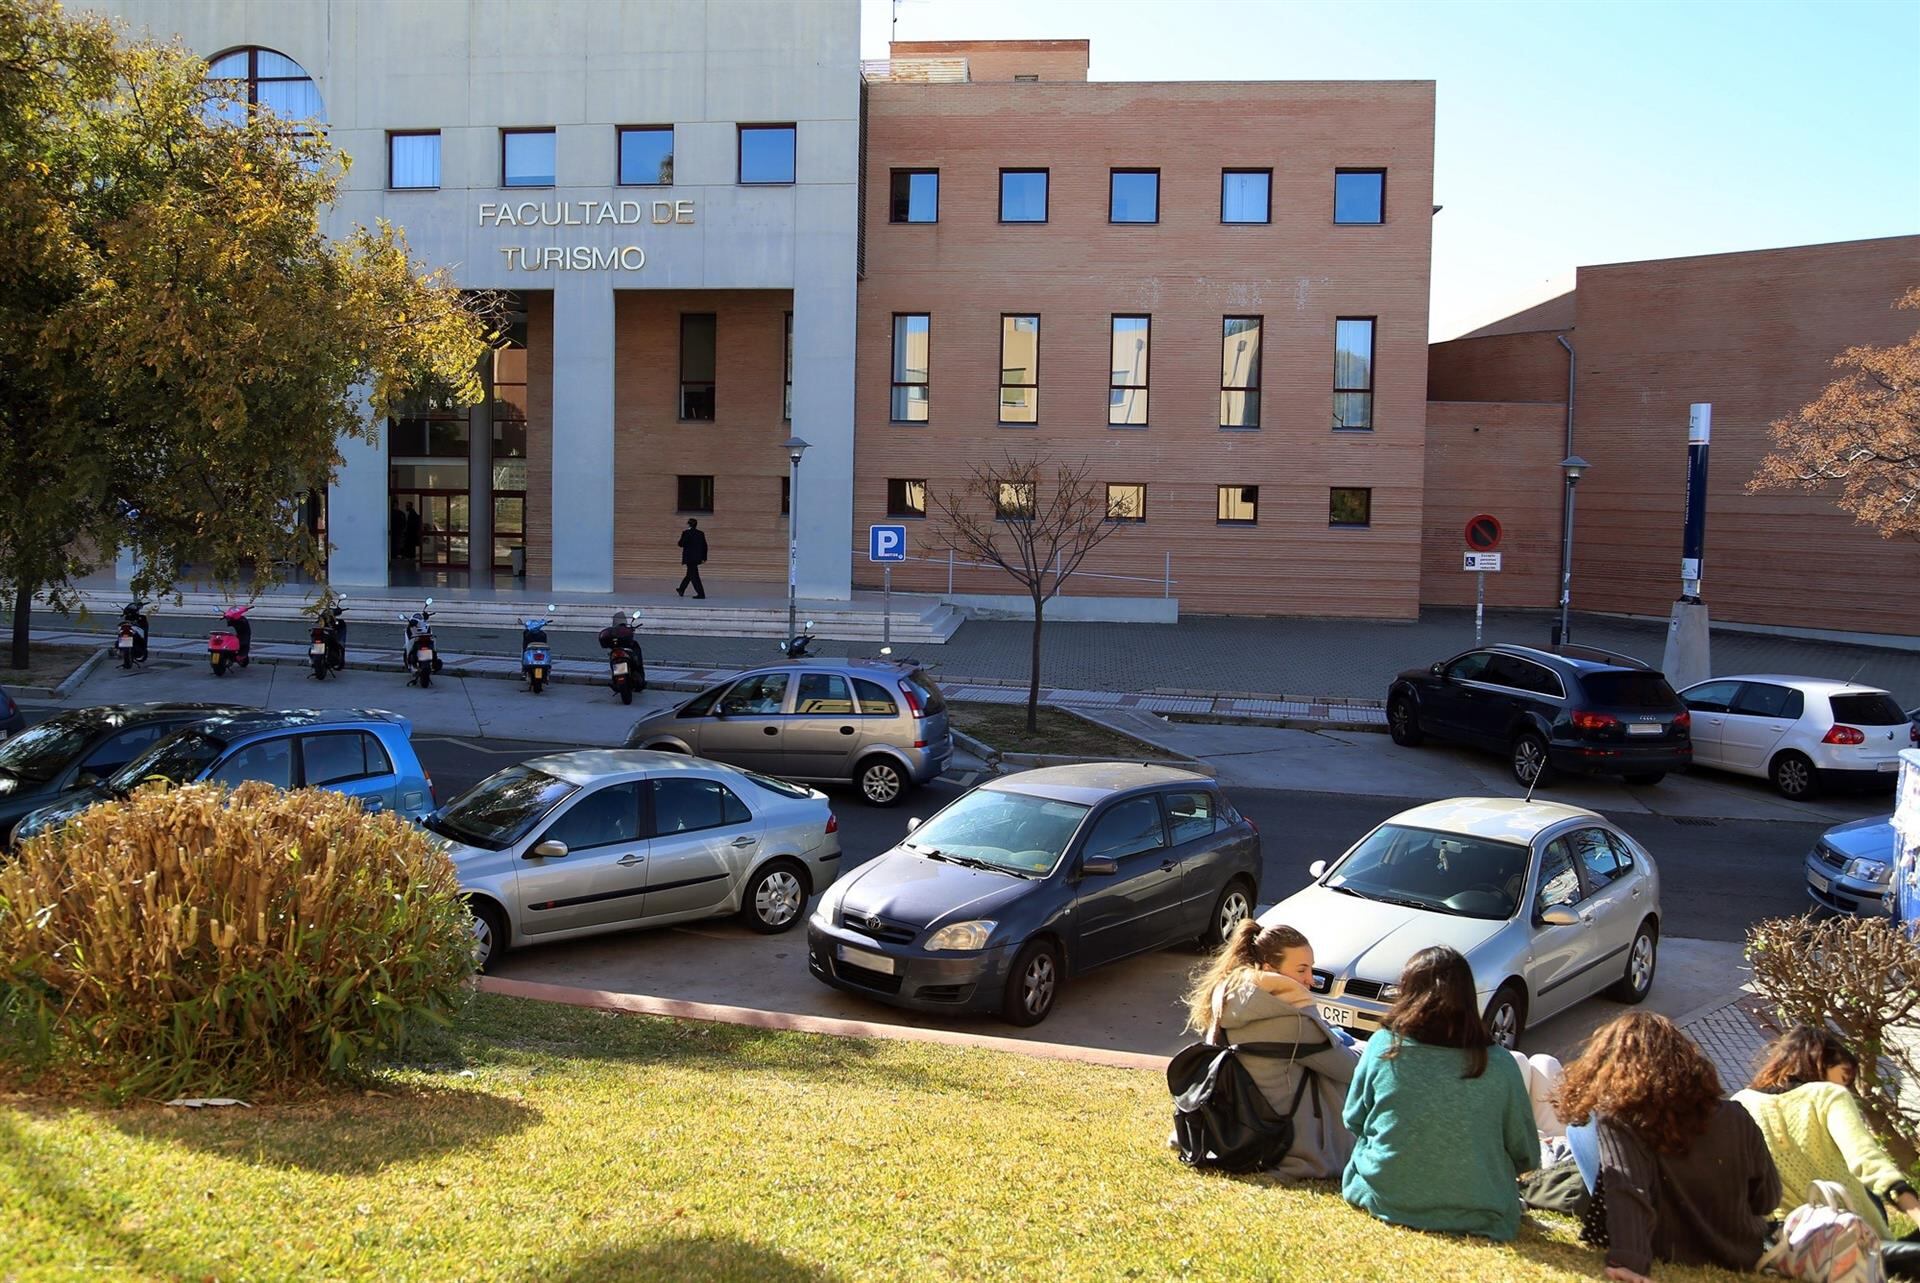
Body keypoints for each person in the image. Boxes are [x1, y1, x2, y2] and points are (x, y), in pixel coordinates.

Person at [1552, 1013, 1780, 1282]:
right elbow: (1768, 1198)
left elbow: (1626, 1187)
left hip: (1668, 1250)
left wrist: (1628, 1262)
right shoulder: (1737, 1115)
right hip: (1741, 1253)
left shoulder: (1619, 1119)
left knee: (1578, 1129)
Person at [1342, 946, 1540, 1241]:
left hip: (1383, 1194)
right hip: (1482, 1209)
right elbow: (1526, 1154)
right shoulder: (1500, 1063)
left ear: (1406, 992)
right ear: (1469, 998)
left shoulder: (1383, 1046)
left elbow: (1353, 1118)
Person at [1735, 1026, 1920, 1277]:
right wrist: (1914, 1210)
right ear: (1819, 1061)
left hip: (1778, 1241)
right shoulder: (1828, 1094)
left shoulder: (1741, 1103)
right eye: (1845, 1075)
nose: (1847, 1085)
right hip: (1843, 1236)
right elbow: (1866, 1161)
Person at [1181, 920, 1360, 1180]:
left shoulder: (1227, 999)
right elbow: (1352, 1070)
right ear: (1268, 969)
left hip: (1231, 1127)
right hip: (1282, 1141)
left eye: (1311, 969)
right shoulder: (1292, 1021)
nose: (1311, 980)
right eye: (1301, 970)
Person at [676, 518, 708, 598]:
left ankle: (701, 594)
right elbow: (705, 546)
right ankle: (681, 589)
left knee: (694, 577)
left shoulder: (686, 533)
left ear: (689, 524)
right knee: (690, 574)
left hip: (689, 558)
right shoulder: (700, 533)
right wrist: (704, 557)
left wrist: (686, 534)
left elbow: (681, 544)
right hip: (697, 558)